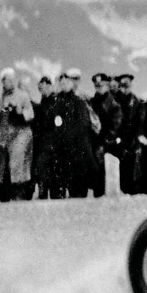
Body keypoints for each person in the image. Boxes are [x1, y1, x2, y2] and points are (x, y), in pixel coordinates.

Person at [44, 69, 99, 199]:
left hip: (78, 150)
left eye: (66, 82)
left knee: (78, 187)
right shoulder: (56, 103)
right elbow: (52, 124)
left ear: (71, 83)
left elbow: (83, 125)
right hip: (63, 150)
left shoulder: (79, 102)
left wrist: (65, 137)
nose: (63, 85)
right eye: (61, 83)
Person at [0, 68, 35, 201]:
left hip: (20, 133)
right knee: (3, 166)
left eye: (11, 80)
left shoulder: (22, 96)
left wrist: (19, 113)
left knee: (17, 162)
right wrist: (2, 111)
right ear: (2, 82)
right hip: (4, 135)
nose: (9, 83)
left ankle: (19, 192)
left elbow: (30, 114)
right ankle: (6, 193)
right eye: (6, 80)